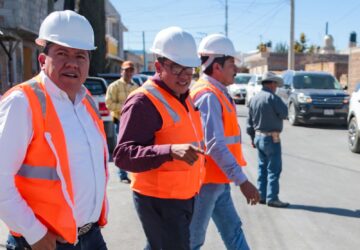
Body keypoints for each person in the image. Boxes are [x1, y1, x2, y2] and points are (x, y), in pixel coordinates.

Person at [0, 10, 109, 250]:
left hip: (91, 237)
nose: (72, 62)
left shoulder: (86, 101)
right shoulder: (23, 101)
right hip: (44, 242)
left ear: (89, 62)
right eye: (62, 53)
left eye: (80, 55)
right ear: (42, 60)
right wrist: (34, 233)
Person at [113, 26, 205, 250]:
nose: (184, 76)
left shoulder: (183, 96)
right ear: (158, 66)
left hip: (183, 195)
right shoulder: (143, 102)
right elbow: (123, 156)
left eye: (189, 69)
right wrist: (170, 150)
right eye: (176, 67)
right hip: (160, 200)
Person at [189, 34, 260, 250]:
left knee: (233, 231)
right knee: (193, 241)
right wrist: (243, 181)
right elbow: (215, 145)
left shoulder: (218, 92)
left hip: (219, 180)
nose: (236, 70)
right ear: (217, 66)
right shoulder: (208, 95)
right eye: (231, 65)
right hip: (206, 183)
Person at [246, 71, 289, 208]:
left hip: (258, 136)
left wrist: (253, 138)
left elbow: (249, 122)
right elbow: (284, 113)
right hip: (271, 138)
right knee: (273, 169)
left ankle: (262, 196)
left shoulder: (254, 99)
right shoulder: (273, 98)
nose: (276, 86)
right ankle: (272, 198)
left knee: (262, 167)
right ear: (271, 84)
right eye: (275, 84)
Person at [105, 60, 138, 183]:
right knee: (122, 149)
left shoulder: (135, 87)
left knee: (134, 147)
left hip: (134, 122)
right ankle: (122, 174)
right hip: (120, 121)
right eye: (126, 70)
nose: (129, 73)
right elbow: (109, 104)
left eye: (131, 70)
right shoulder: (114, 86)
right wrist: (126, 108)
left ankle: (134, 172)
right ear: (121, 71)